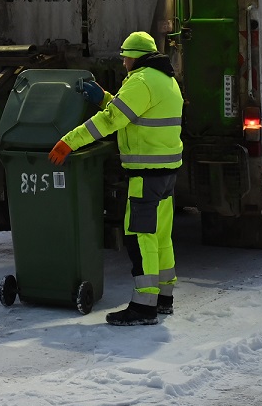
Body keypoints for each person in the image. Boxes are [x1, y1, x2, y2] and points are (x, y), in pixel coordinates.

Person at [48, 31, 183, 326]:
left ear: (136, 56)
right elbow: (131, 112)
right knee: (161, 236)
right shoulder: (165, 79)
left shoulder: (142, 80)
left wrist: (69, 141)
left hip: (146, 174)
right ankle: (163, 299)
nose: (123, 62)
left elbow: (112, 120)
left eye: (125, 56)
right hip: (166, 172)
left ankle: (143, 307)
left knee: (139, 236)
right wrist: (104, 98)